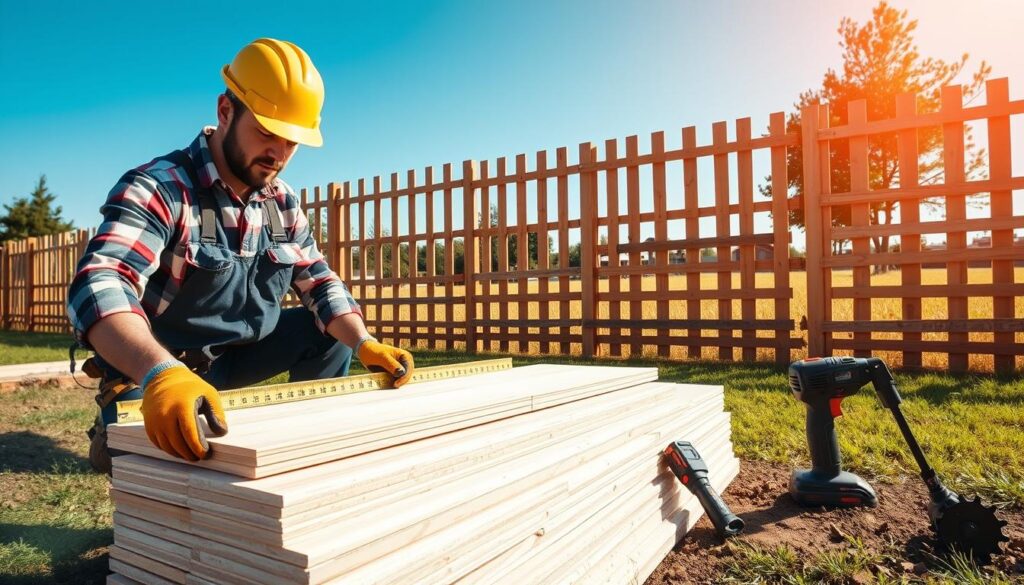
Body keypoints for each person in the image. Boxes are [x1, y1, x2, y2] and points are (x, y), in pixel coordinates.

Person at [67, 38, 413, 474]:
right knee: (158, 465)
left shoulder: (281, 202)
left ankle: (304, 455)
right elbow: (101, 283)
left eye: (292, 141)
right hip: (158, 368)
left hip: (241, 356)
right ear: (225, 111)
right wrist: (160, 373)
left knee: (326, 331)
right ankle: (112, 431)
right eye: (267, 132)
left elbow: (319, 281)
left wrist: (363, 341)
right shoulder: (160, 188)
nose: (279, 154)